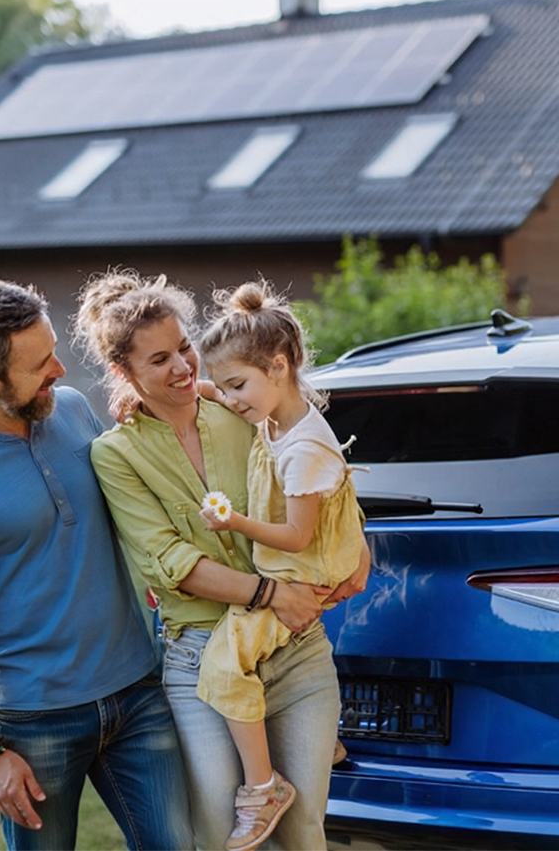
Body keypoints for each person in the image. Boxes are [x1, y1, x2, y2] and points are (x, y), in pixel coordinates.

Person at [76, 269, 368, 851]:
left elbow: (318, 472)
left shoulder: (239, 406)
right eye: (158, 360)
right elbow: (170, 562)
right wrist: (269, 593)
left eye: (184, 347)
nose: (183, 367)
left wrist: (361, 547)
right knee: (216, 829)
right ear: (124, 373)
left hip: (295, 648)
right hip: (202, 656)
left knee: (304, 829)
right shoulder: (117, 454)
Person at [0, 276, 191, 851]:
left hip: (138, 691)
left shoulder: (76, 411)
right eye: (39, 365)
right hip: (37, 721)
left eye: (53, 349)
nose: (59, 369)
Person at [191, 281, 366, 851]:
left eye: (238, 385)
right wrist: (201, 390)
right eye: (226, 388)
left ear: (280, 366)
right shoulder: (278, 416)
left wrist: (234, 522)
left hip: (296, 573)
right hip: (297, 572)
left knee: (222, 666)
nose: (233, 399)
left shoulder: (304, 449)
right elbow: (230, 397)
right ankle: (320, 741)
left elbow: (296, 536)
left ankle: (263, 787)